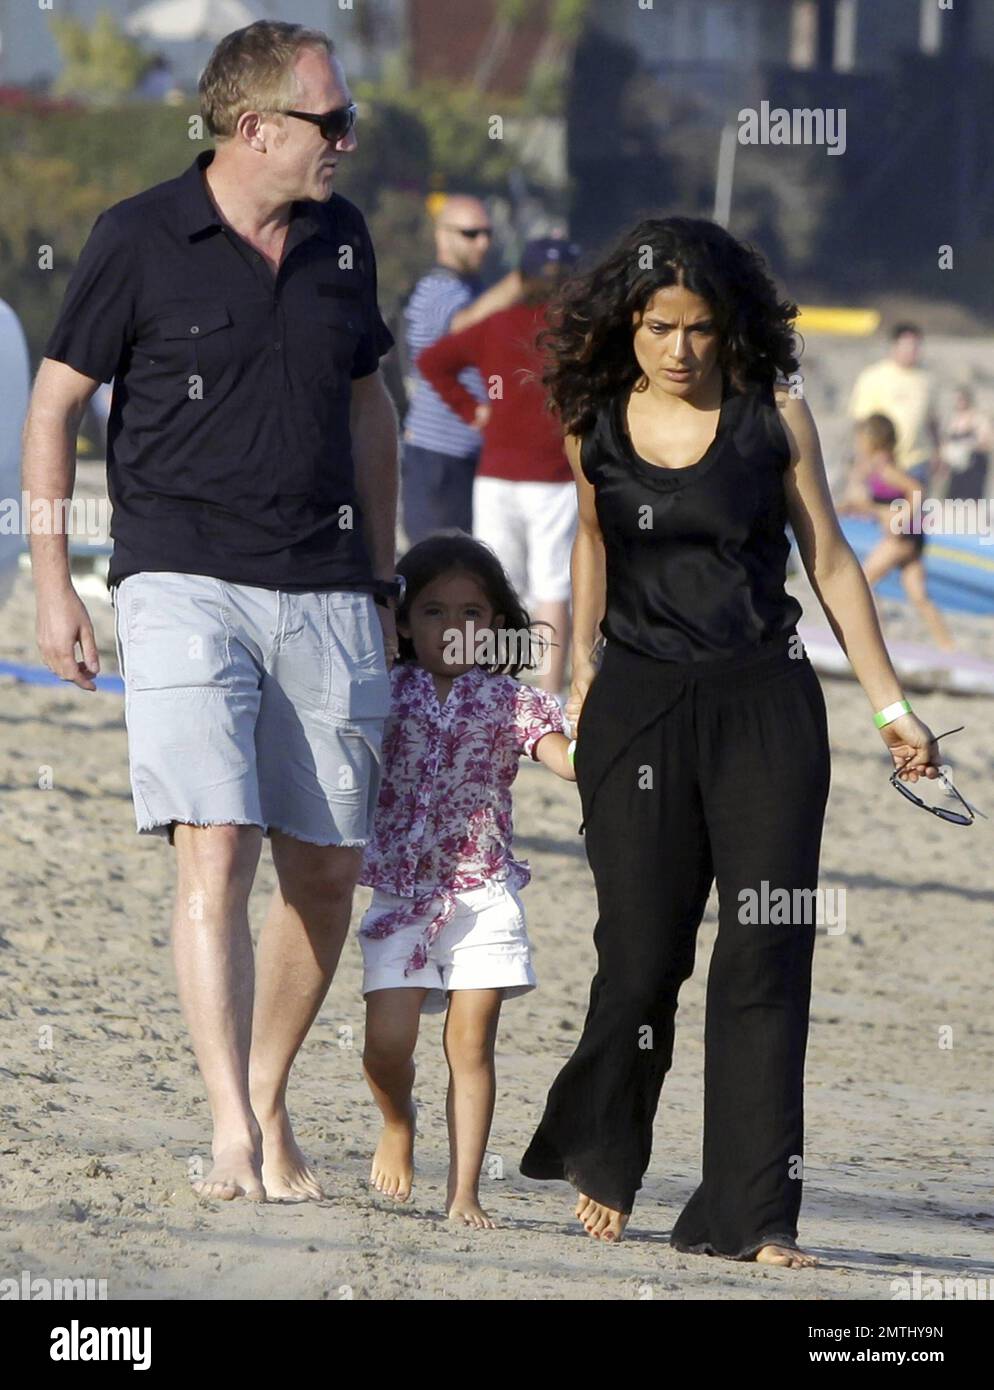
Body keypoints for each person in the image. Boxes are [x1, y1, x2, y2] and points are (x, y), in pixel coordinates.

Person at [22, 21, 403, 1203]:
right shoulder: (137, 237)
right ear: (256, 129)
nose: (347, 138)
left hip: (329, 584)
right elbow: (54, 408)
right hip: (179, 573)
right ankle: (230, 1127)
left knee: (329, 867)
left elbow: (371, 414)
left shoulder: (343, 240)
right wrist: (53, 584)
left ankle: (270, 1089)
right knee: (218, 841)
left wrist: (384, 583)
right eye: (330, 122)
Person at [518, 216, 942, 1264]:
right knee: (639, 957)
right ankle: (603, 1149)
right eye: (657, 326)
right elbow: (590, 548)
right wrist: (575, 683)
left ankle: (749, 1213)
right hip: (637, 708)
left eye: (698, 328)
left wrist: (892, 712)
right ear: (628, 325)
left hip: (765, 710)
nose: (677, 349)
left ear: (727, 327)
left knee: (764, 954)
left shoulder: (774, 419)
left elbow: (835, 564)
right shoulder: (594, 426)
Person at [355, 533, 574, 1227]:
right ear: (401, 622)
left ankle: (465, 1192)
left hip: (485, 893)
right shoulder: (383, 691)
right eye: (434, 612)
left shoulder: (513, 702)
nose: (454, 629)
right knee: (385, 1046)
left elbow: (568, 760)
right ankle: (398, 1120)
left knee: (471, 1043)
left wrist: (606, 724)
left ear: (499, 626)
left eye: (473, 613)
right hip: (401, 895)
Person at [416, 238, 582, 701]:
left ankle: (495, 687)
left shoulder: (497, 324)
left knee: (496, 583)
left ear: (521, 280)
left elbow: (432, 361)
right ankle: (548, 693)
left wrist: (473, 410)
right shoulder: (581, 332)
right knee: (552, 584)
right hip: (554, 475)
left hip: (497, 473)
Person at [400, 196, 523, 543]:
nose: (482, 242)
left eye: (487, 233)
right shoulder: (435, 290)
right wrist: (519, 282)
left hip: (477, 457)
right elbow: (462, 327)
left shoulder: (476, 290)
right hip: (438, 460)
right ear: (442, 236)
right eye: (470, 234)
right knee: (438, 566)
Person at [843, 414, 954, 650]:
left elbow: (916, 488)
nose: (857, 444)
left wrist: (903, 518)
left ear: (872, 440)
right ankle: (948, 646)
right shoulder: (874, 465)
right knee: (919, 596)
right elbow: (867, 502)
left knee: (864, 579)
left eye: (860, 439)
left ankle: (876, 640)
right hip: (912, 538)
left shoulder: (884, 466)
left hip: (902, 538)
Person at [848, 323, 940, 488]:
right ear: (894, 346)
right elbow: (862, 423)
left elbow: (932, 421)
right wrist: (864, 458)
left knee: (915, 508)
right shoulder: (873, 376)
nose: (912, 351)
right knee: (883, 511)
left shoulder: (926, 380)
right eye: (907, 346)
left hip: (917, 460)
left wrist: (938, 452)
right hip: (882, 462)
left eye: (916, 346)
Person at [941, 386, 992, 502]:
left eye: (961, 399)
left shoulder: (979, 418)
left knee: (972, 501)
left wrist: (969, 446)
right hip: (956, 469)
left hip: (974, 468)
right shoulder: (953, 419)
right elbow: (945, 441)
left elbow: (988, 443)